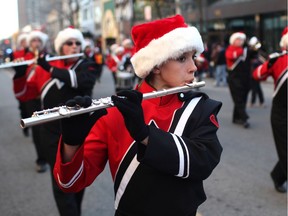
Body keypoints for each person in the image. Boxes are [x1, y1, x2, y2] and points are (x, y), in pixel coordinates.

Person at [53, 15, 223, 216]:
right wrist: (71, 144)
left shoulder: (200, 108)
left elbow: (203, 162)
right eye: (182, 58)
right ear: (157, 65)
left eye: (193, 56)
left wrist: (146, 136)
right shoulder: (114, 112)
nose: (193, 67)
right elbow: (70, 183)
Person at [13, 27, 102, 215]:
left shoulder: (87, 65)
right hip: (52, 133)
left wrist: (50, 69)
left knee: (77, 178)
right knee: (60, 182)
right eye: (69, 43)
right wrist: (20, 74)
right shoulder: (42, 70)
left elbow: (82, 81)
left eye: (77, 43)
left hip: (80, 132)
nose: (74, 46)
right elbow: (23, 94)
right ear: (61, 47)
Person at [253, 27, 287, 193]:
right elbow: (257, 75)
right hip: (281, 113)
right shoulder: (278, 59)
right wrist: (269, 64)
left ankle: (277, 175)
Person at [13, 30, 49, 172]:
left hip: (47, 99)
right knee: (37, 131)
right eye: (33, 41)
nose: (36, 44)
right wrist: (21, 71)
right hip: (31, 99)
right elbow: (20, 87)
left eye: (39, 41)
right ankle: (41, 159)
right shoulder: (25, 59)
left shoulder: (49, 58)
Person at [225, 32, 251, 128]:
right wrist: (245, 49)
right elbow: (232, 56)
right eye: (238, 39)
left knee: (242, 98)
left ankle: (236, 118)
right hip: (234, 78)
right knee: (238, 98)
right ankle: (244, 118)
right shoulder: (230, 49)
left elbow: (254, 55)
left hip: (245, 78)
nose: (241, 41)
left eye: (242, 39)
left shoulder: (245, 50)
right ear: (233, 41)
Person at [248, 36, 266, 107]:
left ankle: (254, 102)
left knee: (255, 87)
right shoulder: (250, 52)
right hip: (252, 71)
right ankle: (260, 101)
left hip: (256, 71)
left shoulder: (258, 52)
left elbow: (263, 60)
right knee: (256, 87)